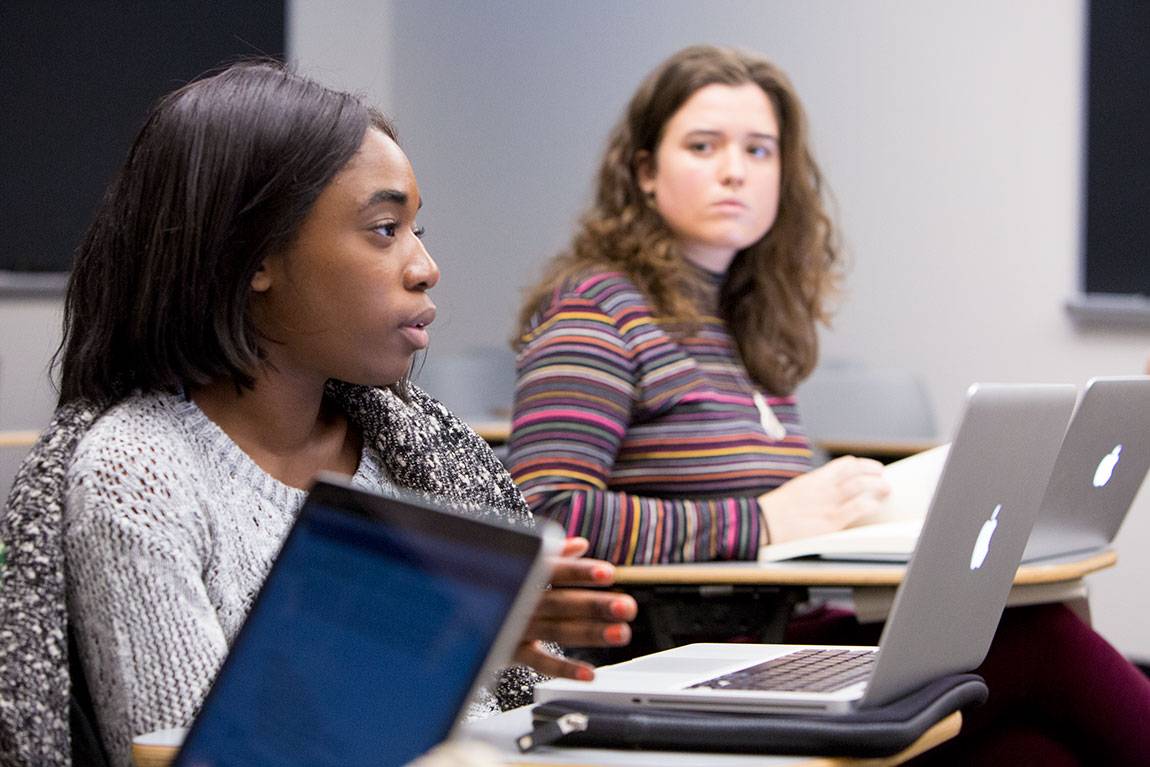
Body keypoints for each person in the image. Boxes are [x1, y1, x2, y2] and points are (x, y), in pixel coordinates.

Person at [508, 45, 1150, 765]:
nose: (735, 170)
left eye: (759, 149)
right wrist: (760, 520)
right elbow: (543, 511)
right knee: (1038, 639)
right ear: (644, 172)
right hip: (683, 660)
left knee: (1030, 751)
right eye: (703, 146)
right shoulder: (596, 310)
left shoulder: (747, 325)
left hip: (776, 633)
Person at [0, 61, 637, 767]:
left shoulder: (422, 452)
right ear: (255, 257)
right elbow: (199, 757)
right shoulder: (138, 473)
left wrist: (470, 660)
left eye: (417, 230)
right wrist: (429, 669)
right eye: (385, 229)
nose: (424, 266)